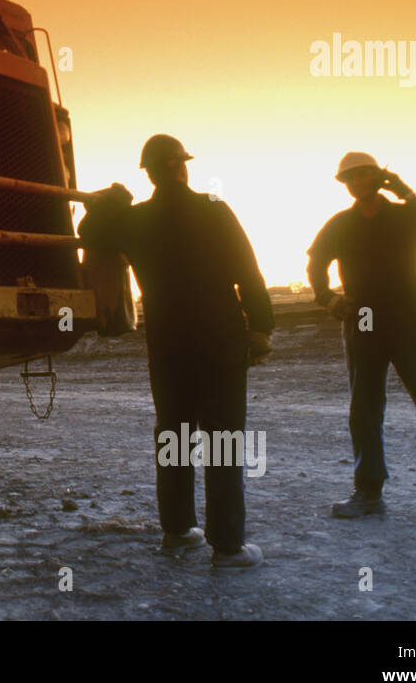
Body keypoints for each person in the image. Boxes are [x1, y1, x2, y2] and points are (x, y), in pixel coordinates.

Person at [78, 134, 273, 569]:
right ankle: (227, 546)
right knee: (223, 436)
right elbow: (248, 270)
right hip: (219, 333)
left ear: (148, 172)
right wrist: (261, 326)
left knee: (174, 433)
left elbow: (88, 230)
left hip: (167, 339)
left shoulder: (135, 220)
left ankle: (179, 530)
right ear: (182, 166)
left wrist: (112, 200)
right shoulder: (213, 209)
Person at [307, 152, 416, 533]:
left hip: (410, 323)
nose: (355, 182)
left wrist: (406, 192)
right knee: (365, 410)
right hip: (364, 322)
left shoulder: (405, 216)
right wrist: (328, 298)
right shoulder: (341, 224)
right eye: (349, 178)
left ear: (378, 177)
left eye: (363, 174)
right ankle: (369, 494)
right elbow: (315, 259)